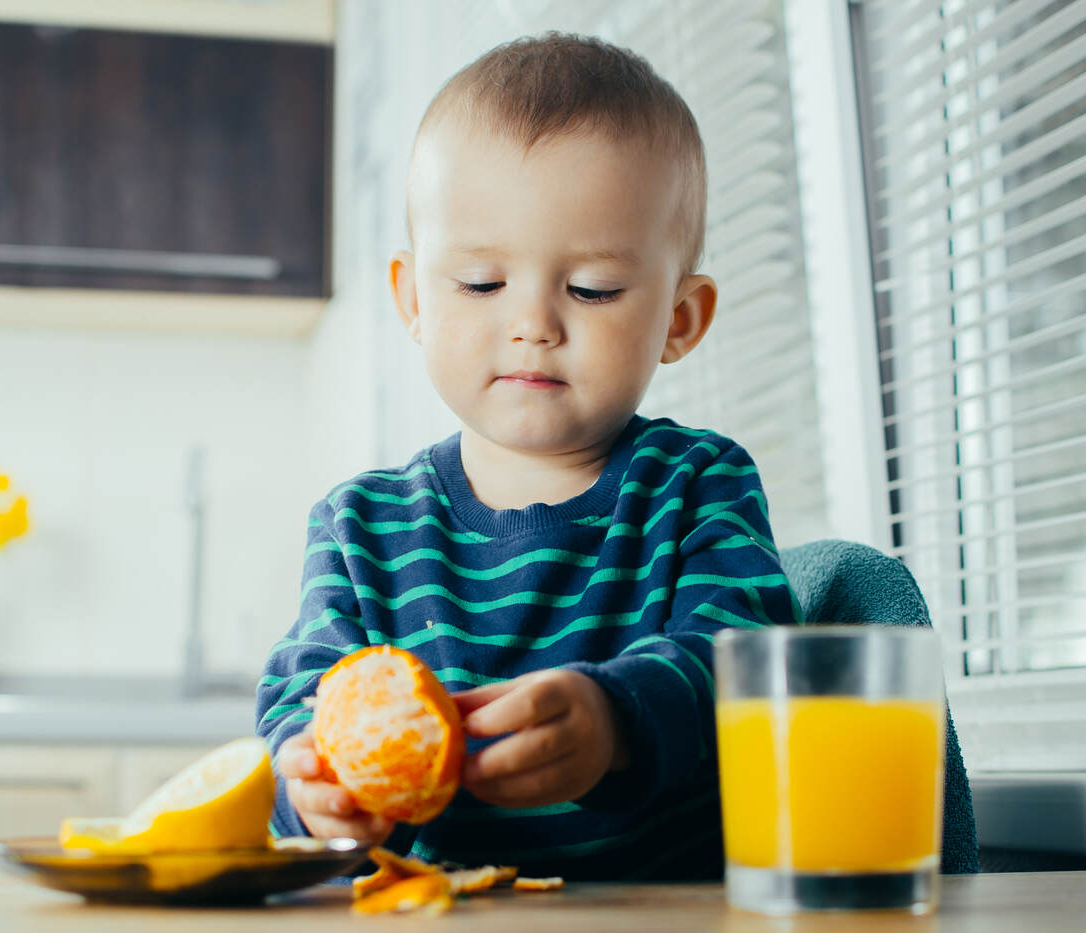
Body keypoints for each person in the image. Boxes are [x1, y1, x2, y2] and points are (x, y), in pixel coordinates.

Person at [256, 32, 802, 881]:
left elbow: (749, 671)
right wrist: (311, 787)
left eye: (592, 290)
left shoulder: (697, 486)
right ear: (411, 299)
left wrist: (616, 720)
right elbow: (300, 698)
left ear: (681, 320)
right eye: (480, 283)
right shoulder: (359, 525)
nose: (533, 325)